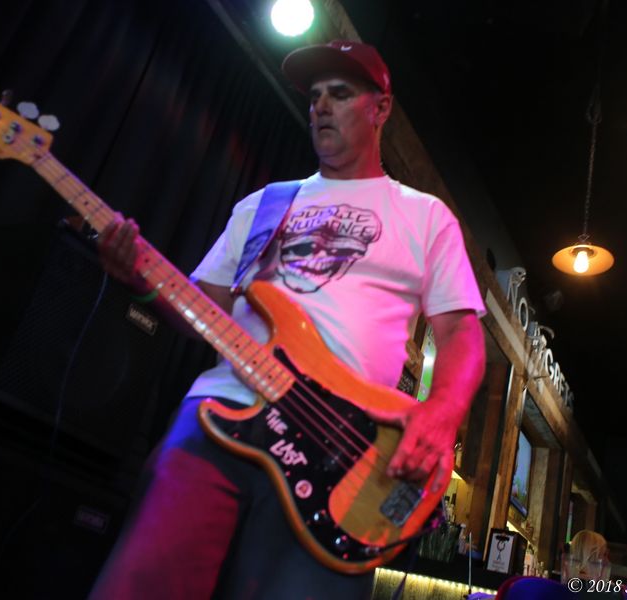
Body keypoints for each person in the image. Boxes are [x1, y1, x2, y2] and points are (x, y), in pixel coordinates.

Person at [88, 40, 487, 599]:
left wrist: (442, 412)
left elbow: (461, 332)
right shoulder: (265, 204)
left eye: (339, 93)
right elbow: (203, 305)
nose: (320, 105)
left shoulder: (424, 216)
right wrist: (141, 278)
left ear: (380, 108)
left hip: (341, 451)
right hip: (222, 412)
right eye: (314, 96)